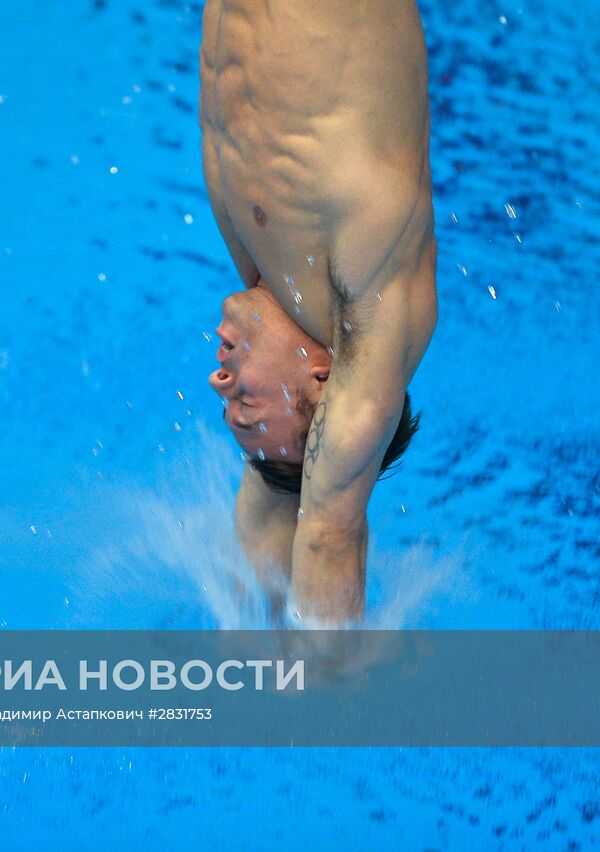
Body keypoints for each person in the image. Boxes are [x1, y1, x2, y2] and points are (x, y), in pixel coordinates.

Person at [199, 0, 438, 625]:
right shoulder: (374, 295)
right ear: (322, 383)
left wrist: (246, 644)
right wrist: (321, 702)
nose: (219, 381)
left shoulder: (272, 273)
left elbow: (275, 507)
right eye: (246, 408)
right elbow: (330, 528)